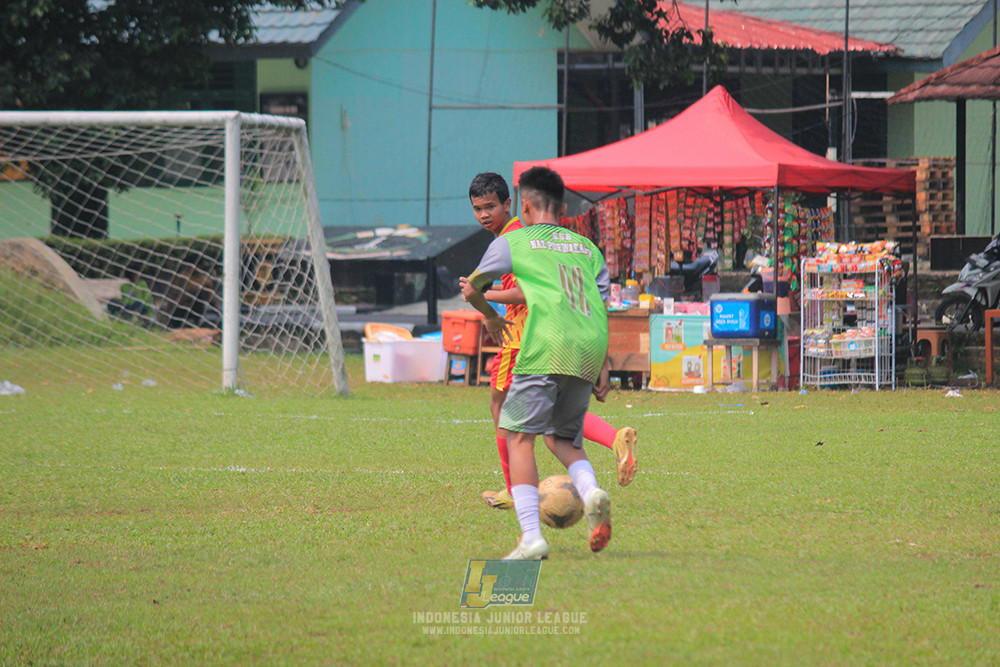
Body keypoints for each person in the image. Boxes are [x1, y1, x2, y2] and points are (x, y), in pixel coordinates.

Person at [462, 166, 614, 560]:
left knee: (519, 437)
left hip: (542, 343)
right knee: (562, 439)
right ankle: (591, 490)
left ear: (523, 206)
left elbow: (473, 287)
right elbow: (599, 306)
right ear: (563, 208)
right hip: (588, 346)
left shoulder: (515, 242)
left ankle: (531, 537)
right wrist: (603, 363)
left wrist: (490, 314)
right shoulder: (589, 249)